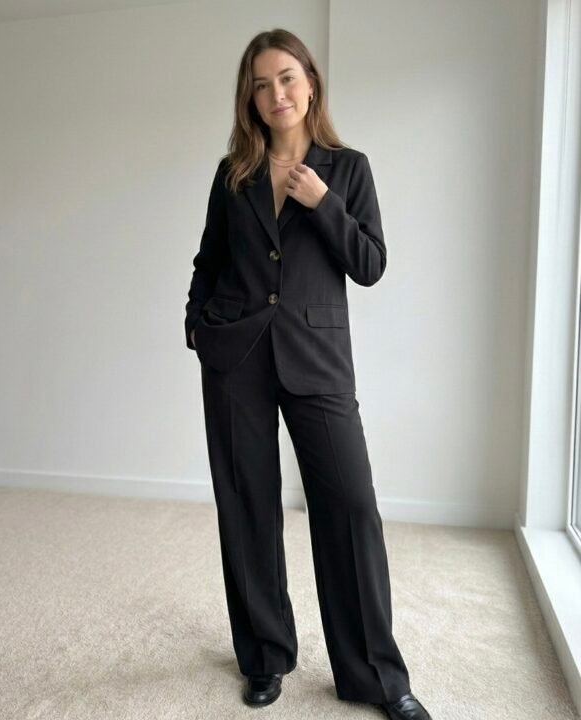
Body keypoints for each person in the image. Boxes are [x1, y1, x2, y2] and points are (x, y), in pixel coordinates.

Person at [184, 28, 433, 720]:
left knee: (350, 507)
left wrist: (324, 202)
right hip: (234, 356)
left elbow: (370, 264)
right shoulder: (233, 174)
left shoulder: (347, 169)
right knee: (247, 506)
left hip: (316, 358)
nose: (276, 94)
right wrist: (197, 325)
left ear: (311, 82)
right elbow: (209, 258)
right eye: (261, 84)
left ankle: (378, 677)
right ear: (249, 97)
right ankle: (264, 656)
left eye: (287, 78)